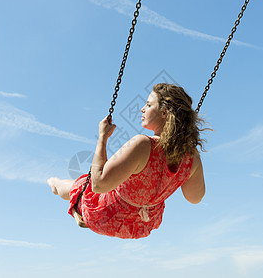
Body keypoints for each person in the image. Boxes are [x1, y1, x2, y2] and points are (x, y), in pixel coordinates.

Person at [47, 83, 207, 239]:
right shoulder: (191, 158)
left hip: (106, 216)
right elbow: (195, 198)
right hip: (142, 226)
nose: (142, 109)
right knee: (85, 186)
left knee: (79, 186)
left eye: (149, 105)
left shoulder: (143, 144)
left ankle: (54, 184)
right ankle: (63, 192)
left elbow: (99, 185)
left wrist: (102, 138)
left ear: (164, 112)